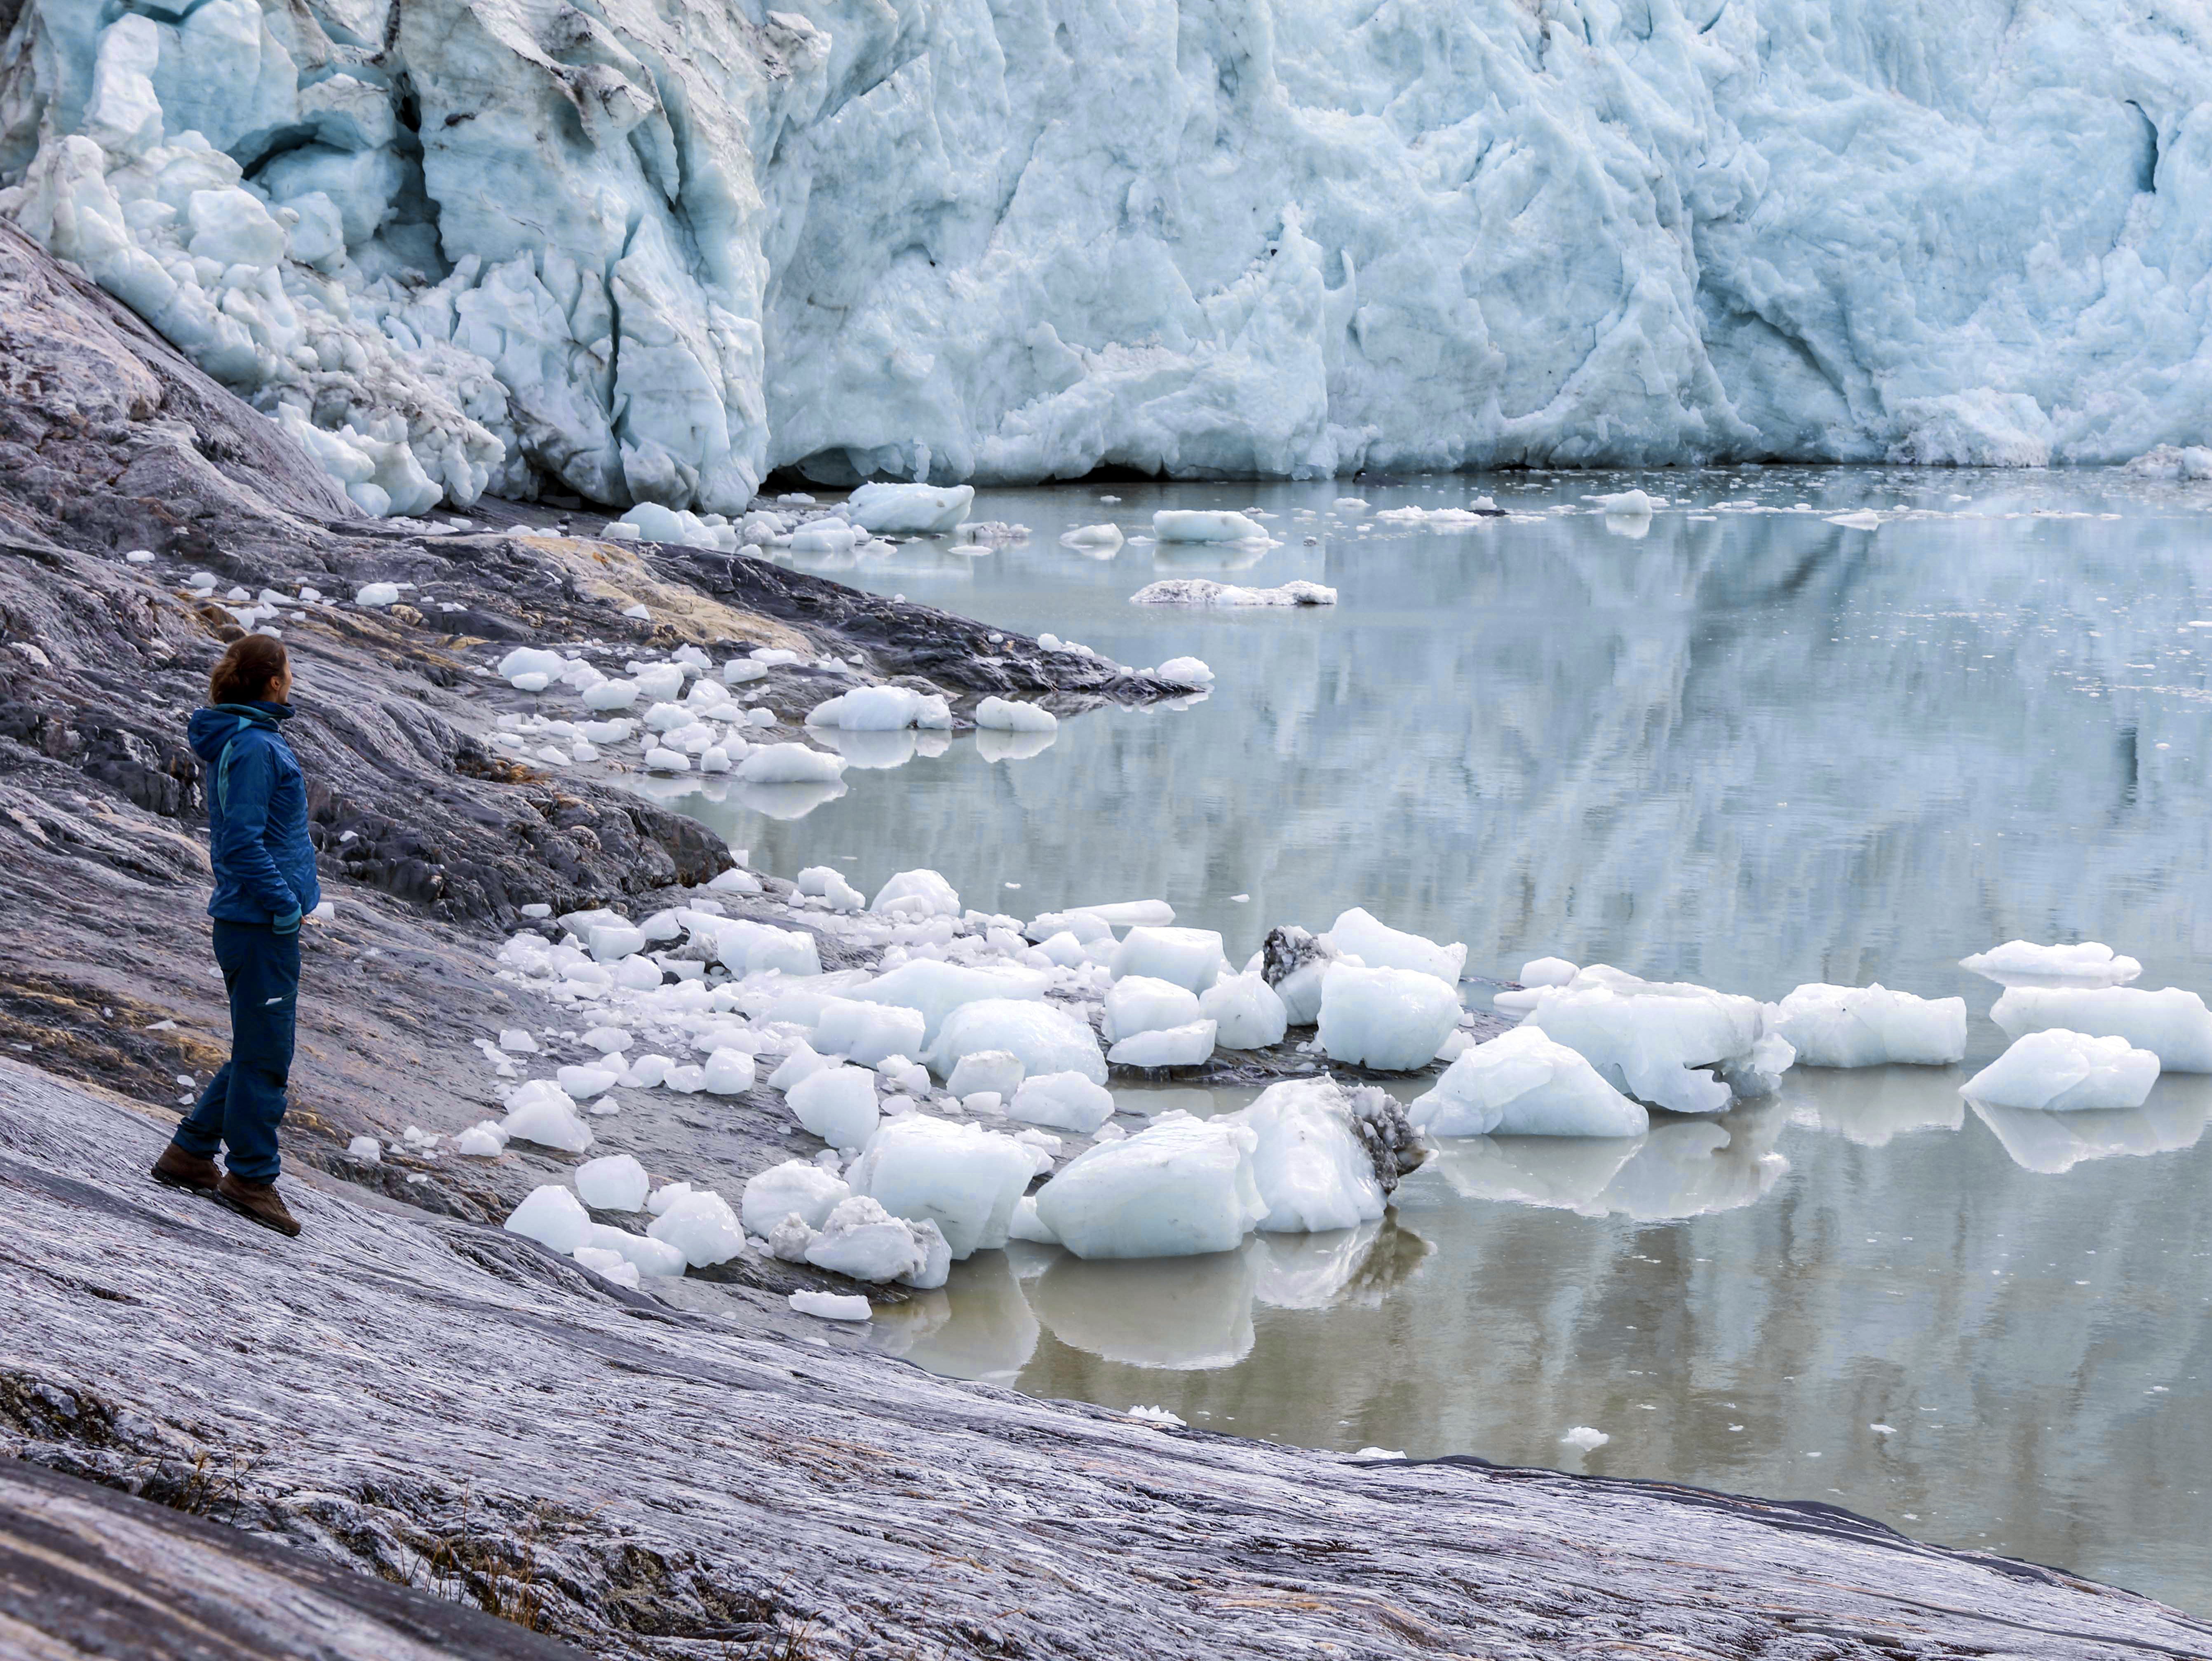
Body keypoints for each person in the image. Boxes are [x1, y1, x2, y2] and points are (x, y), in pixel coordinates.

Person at [151, 634, 319, 1236]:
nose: (292, 678)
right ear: (273, 682)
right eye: (289, 670)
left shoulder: (255, 740)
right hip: (257, 924)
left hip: (255, 921)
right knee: (267, 1056)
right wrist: (281, 905)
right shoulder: (253, 747)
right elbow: (240, 842)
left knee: (256, 1047)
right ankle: (251, 1179)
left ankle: (191, 1153)